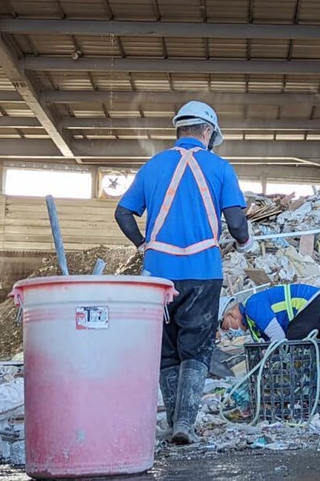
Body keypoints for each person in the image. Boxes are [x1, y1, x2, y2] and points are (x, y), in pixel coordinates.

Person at [114, 101, 253, 444]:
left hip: (158, 277)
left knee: (166, 349)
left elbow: (122, 213)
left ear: (180, 129)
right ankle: (184, 425)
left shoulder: (152, 167)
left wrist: (143, 245)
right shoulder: (220, 167)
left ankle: (173, 421)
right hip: (203, 272)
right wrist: (245, 243)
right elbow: (236, 223)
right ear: (207, 132)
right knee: (197, 347)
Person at [219, 283, 320, 341]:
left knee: (290, 346)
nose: (228, 332)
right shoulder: (253, 323)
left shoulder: (253, 305)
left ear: (229, 314)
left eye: (224, 327)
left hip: (314, 304)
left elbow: (278, 337)